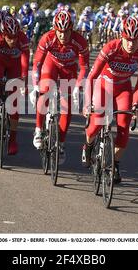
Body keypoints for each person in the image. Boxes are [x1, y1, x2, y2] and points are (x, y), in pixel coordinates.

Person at [82, 16, 138, 184]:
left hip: (123, 89)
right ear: (121, 37)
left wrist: (136, 105)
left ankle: (114, 165)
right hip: (102, 85)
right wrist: (87, 104)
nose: (131, 44)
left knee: (124, 129)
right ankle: (88, 145)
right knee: (96, 124)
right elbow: (92, 77)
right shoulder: (110, 48)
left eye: (135, 40)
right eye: (128, 40)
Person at [30, 10, 89, 163]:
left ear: (71, 29)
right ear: (55, 29)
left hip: (68, 70)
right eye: (59, 32)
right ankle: (38, 130)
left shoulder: (80, 41)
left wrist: (79, 86)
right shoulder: (47, 38)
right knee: (44, 92)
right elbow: (37, 63)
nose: (62, 35)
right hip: (51, 65)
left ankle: (61, 143)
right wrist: (36, 85)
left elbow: (84, 67)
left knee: (67, 106)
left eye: (66, 31)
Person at [0, 16, 30, 155]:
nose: (13, 40)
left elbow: (25, 62)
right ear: (3, 34)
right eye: (9, 37)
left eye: (15, 37)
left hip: (14, 66)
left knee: (14, 105)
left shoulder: (22, 38)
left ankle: (12, 140)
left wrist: (24, 80)